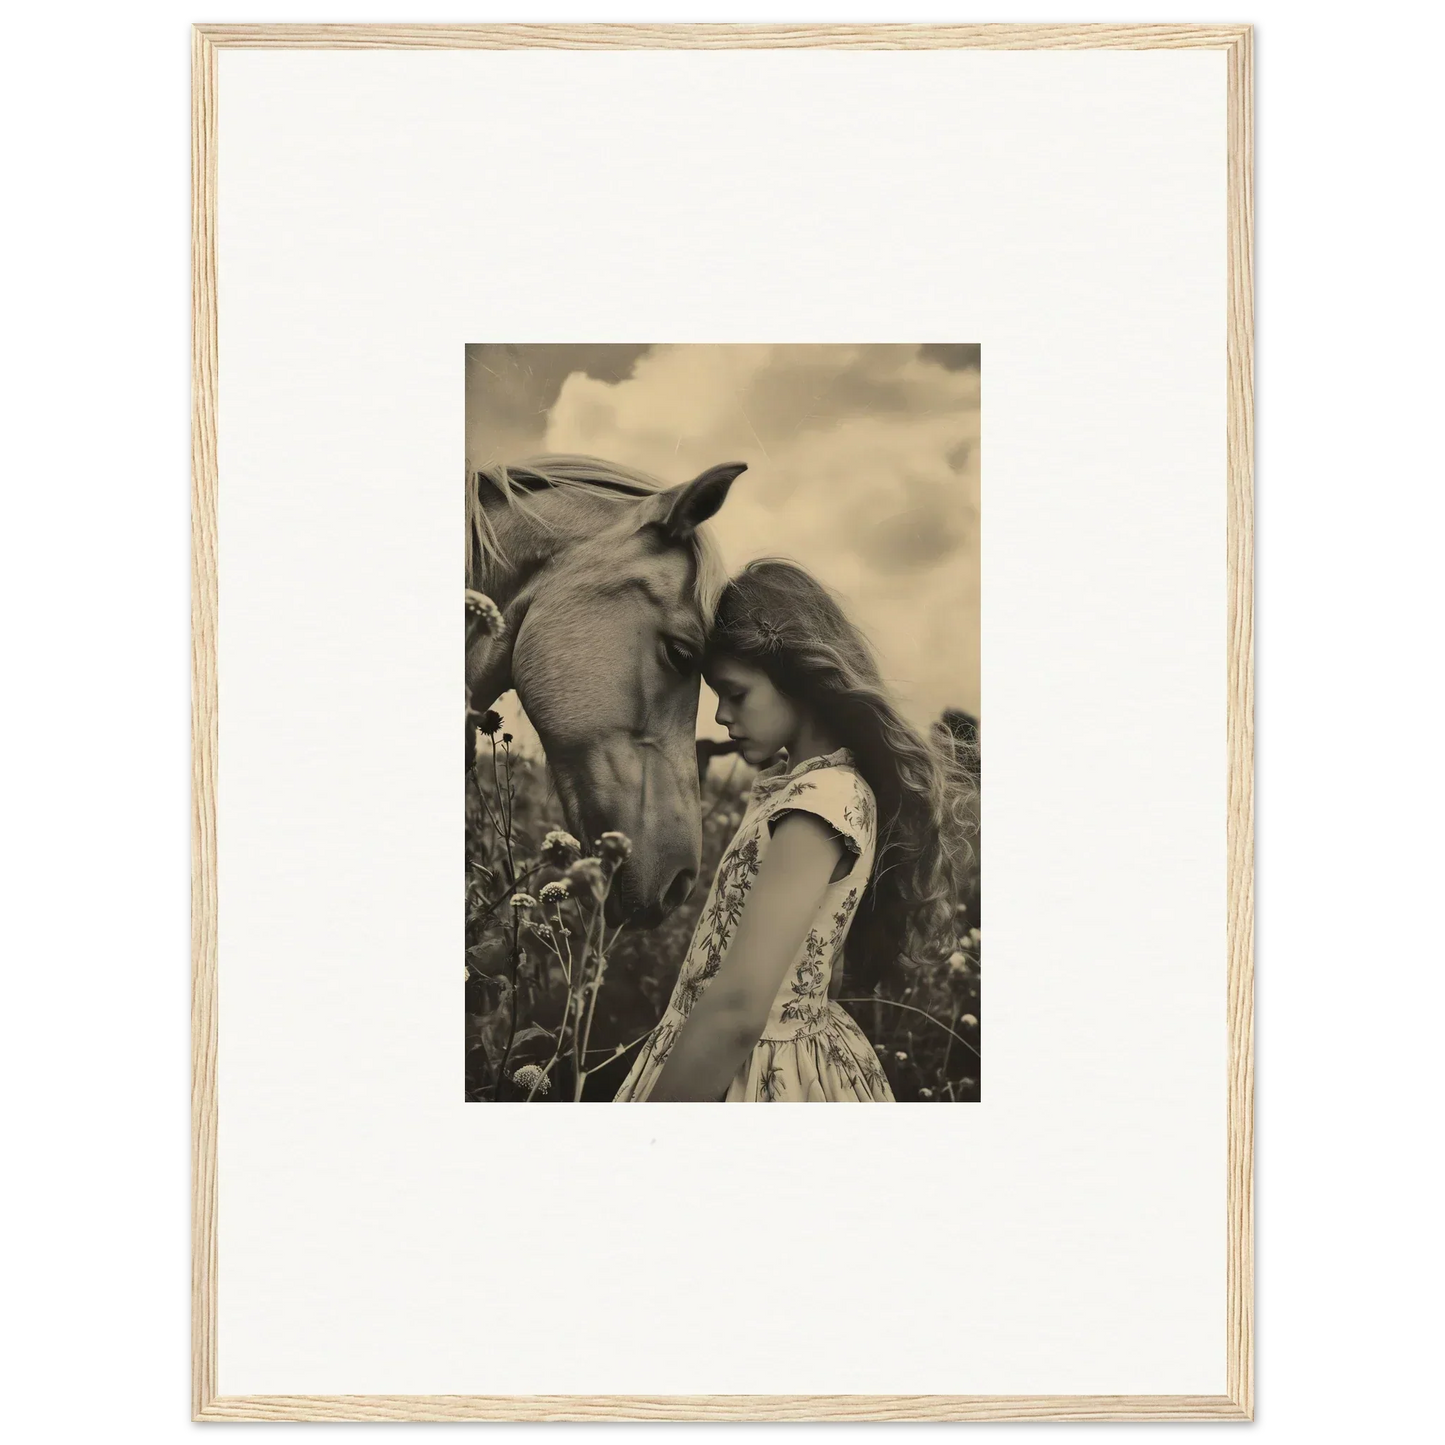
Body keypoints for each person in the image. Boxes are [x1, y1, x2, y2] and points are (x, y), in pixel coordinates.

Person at [614, 558, 976, 1103]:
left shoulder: (822, 800)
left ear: (800, 681)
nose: (720, 717)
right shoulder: (815, 790)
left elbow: (737, 1010)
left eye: (736, 694)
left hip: (753, 1071)